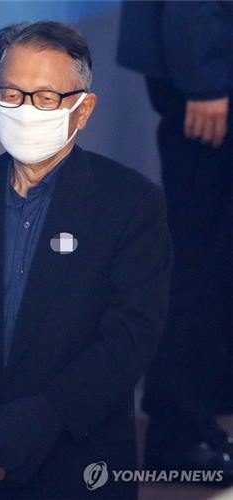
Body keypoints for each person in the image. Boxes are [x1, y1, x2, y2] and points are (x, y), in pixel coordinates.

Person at [0, 20, 173, 499]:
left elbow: (131, 335)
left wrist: (48, 416)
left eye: (45, 98)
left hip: (77, 464)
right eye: (12, 94)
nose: (25, 110)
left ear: (83, 111)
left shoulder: (130, 204)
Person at [117, 0, 233, 484]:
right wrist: (206, 77)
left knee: (210, 253)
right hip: (209, 76)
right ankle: (179, 434)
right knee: (199, 258)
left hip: (210, 67)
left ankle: (199, 408)